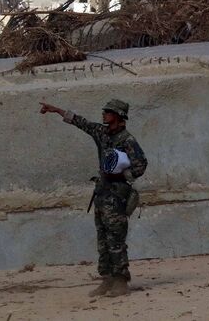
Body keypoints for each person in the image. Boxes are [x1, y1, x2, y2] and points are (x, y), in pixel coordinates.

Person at [39, 99, 147, 297]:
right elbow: (81, 122)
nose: (104, 114)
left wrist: (121, 175)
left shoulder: (127, 140)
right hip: (102, 194)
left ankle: (121, 282)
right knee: (103, 240)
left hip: (117, 196)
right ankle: (107, 279)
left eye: (108, 112)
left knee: (116, 239)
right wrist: (56, 110)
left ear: (118, 116)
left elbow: (141, 165)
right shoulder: (102, 133)